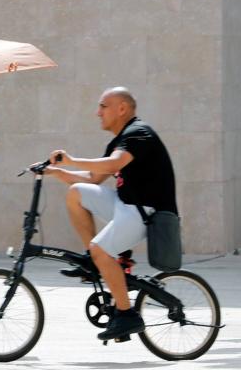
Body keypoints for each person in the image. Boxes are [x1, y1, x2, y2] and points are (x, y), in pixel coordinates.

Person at [36, 86, 178, 341]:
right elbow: (94, 177)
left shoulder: (138, 133)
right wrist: (54, 172)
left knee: (102, 250)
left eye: (103, 106)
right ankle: (95, 259)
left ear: (122, 108)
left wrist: (70, 159)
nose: (97, 113)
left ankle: (126, 314)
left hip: (145, 212)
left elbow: (113, 164)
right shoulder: (121, 138)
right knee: (78, 192)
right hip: (126, 205)